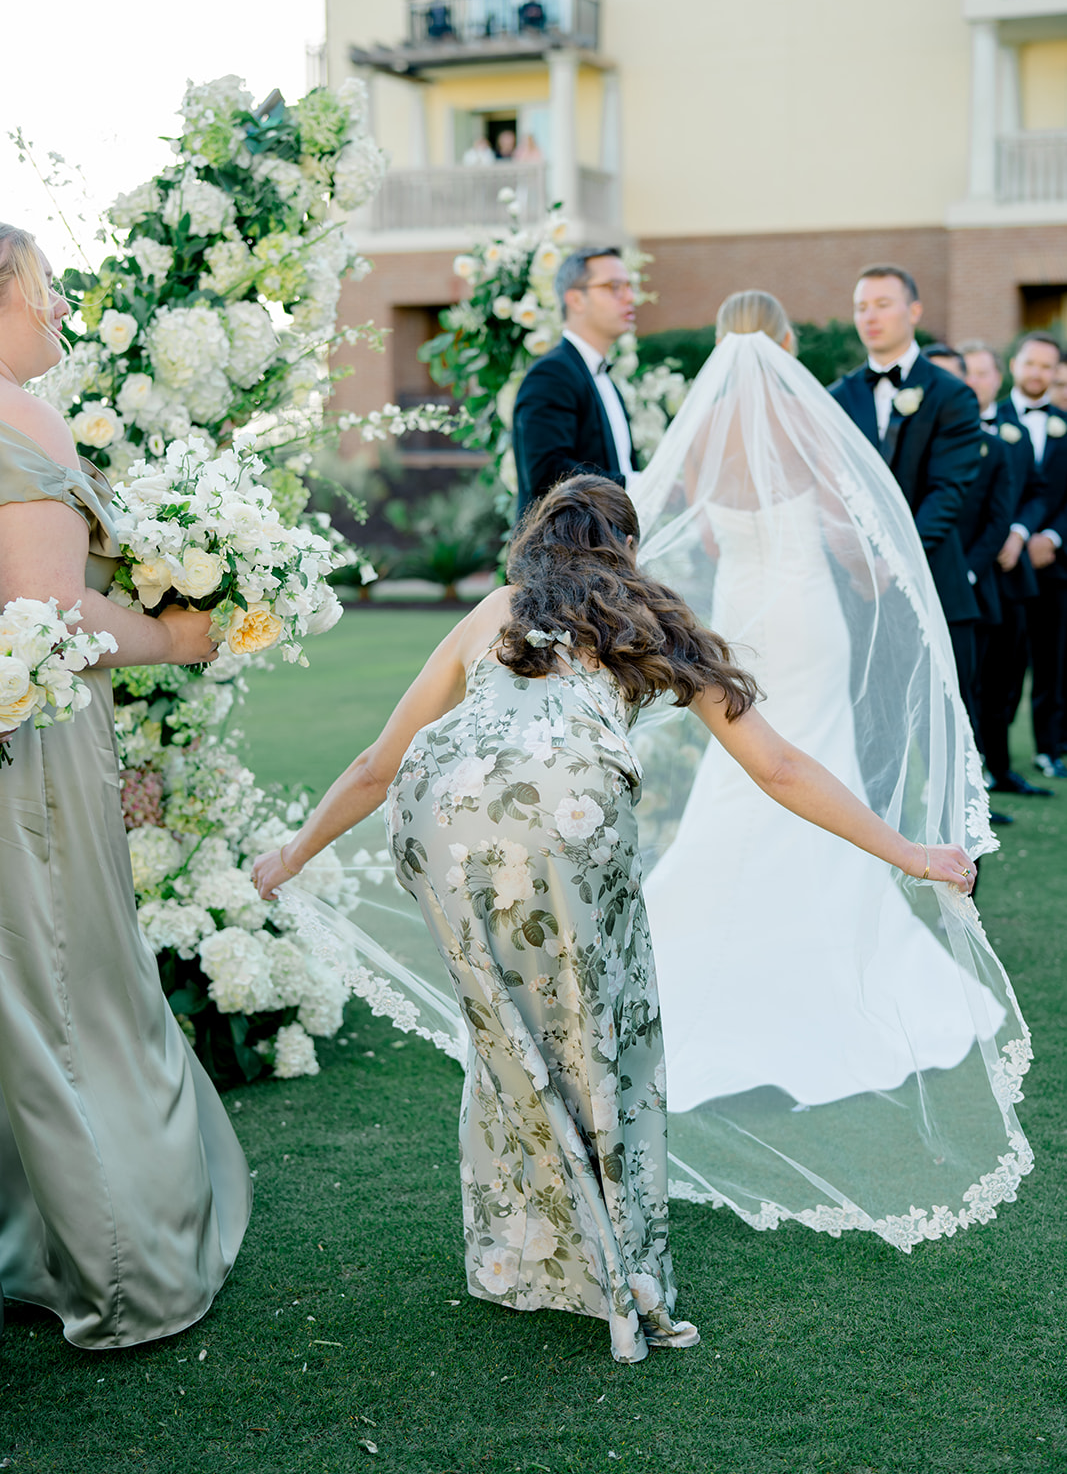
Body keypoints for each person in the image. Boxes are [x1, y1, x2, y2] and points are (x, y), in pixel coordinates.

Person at [253, 473, 980, 1361]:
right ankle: (615, 1268)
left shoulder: (498, 610)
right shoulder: (649, 616)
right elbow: (779, 767)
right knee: (603, 1036)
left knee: (508, 1037)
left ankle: (521, 1257)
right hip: (567, 819)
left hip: (440, 816)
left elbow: (376, 763)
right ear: (625, 548)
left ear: (536, 542)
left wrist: (289, 856)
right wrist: (911, 853)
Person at [625, 291, 1030, 1248]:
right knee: (815, 765)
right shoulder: (807, 423)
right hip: (806, 620)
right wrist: (869, 571)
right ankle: (827, 923)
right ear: (788, 345)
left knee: (741, 777)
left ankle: (703, 940)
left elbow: (693, 533)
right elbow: (850, 536)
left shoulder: (708, 425)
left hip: (738, 615)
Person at [0, 226, 251, 1348]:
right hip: (33, 741)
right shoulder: (21, 416)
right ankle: (128, 1272)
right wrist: (175, 634)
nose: (58, 312)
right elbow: (47, 615)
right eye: (45, 290)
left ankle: (36, 1240)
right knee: (72, 991)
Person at [830, 265, 983, 730]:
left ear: (914, 310)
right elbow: (829, 492)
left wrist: (892, 562)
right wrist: (855, 561)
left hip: (933, 584)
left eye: (882, 304)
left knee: (945, 728)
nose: (870, 316)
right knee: (873, 729)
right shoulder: (835, 397)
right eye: (861, 307)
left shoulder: (952, 395)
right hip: (857, 592)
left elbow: (947, 491)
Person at [960, 340, 1048, 800]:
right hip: (963, 573)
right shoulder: (942, 430)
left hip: (1008, 576)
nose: (976, 381)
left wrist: (1018, 531)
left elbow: (1037, 492)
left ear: (1000, 377)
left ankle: (1001, 768)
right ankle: (973, 780)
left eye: (983, 373)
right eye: (967, 372)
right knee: (968, 682)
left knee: (1006, 679)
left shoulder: (1013, 433)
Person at [512, 247, 635, 516]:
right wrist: (635, 485)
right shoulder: (551, 375)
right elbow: (548, 474)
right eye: (614, 287)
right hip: (568, 554)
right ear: (576, 300)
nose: (630, 297)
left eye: (629, 286)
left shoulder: (603, 377)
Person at [994, 333, 1067, 779]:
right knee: (1003, 661)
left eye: (1047, 366)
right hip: (1003, 562)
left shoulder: (1065, 423)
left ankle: (1049, 747)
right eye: (1031, 363)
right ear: (1015, 365)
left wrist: (1054, 537)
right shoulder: (989, 418)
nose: (1037, 373)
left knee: (1054, 659)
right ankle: (994, 751)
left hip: (1056, 563)